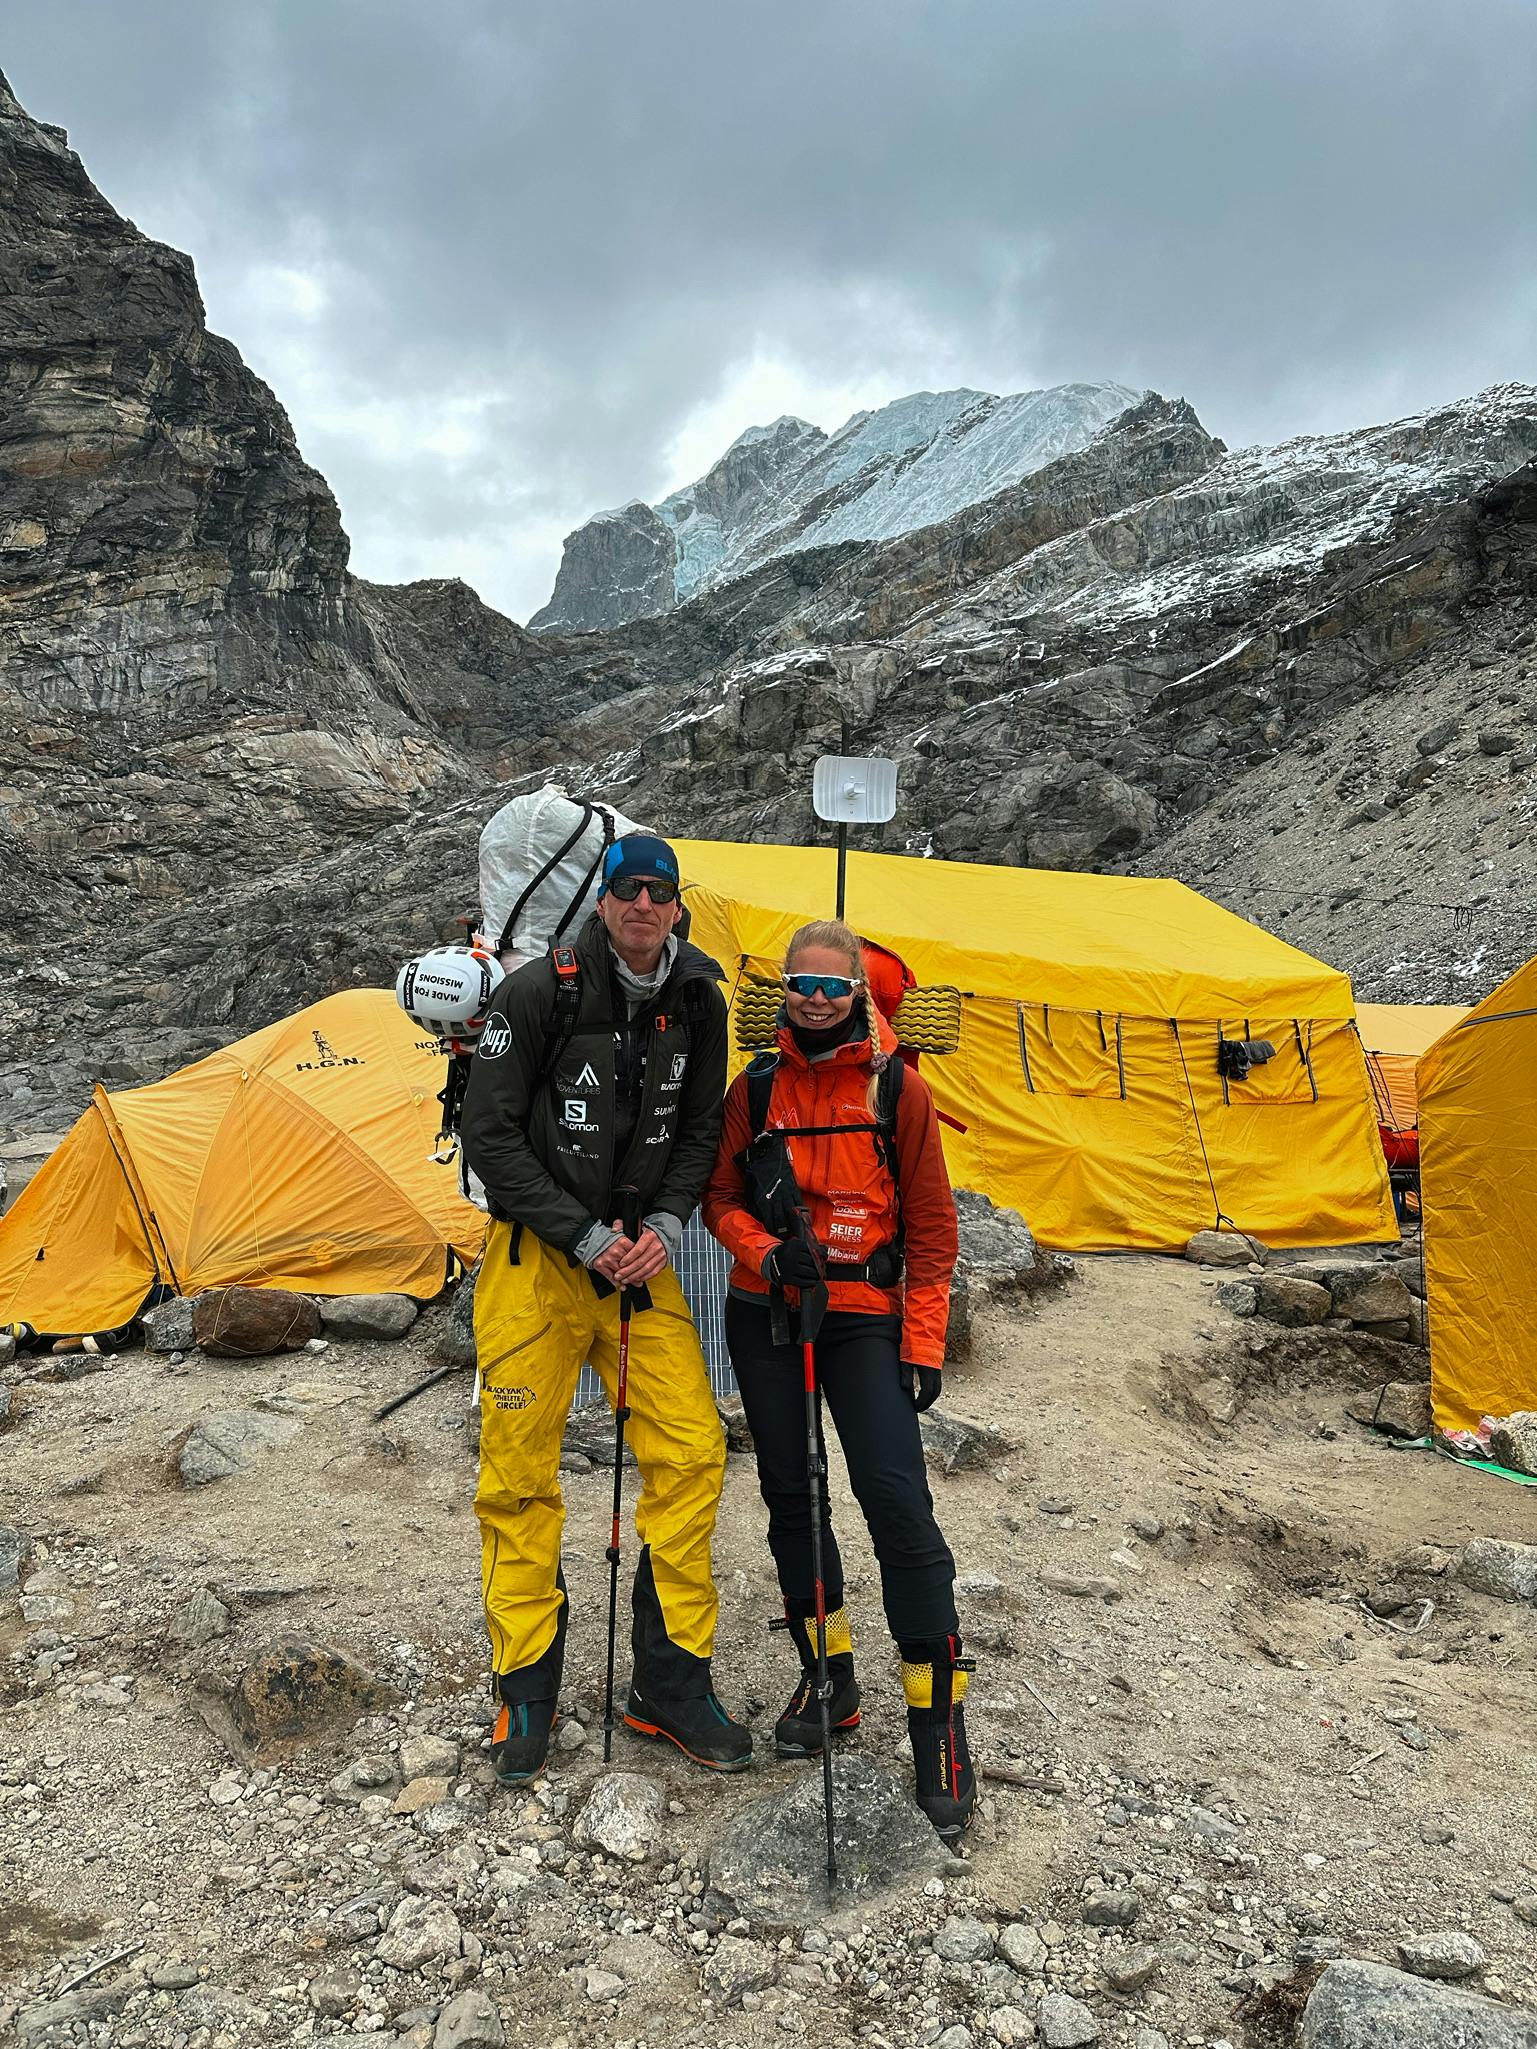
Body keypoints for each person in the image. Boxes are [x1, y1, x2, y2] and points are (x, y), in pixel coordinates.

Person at [460, 833, 751, 1782]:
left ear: (677, 907)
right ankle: (525, 1690)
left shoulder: (697, 1000)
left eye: (658, 892)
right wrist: (584, 1236)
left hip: (641, 1265)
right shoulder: (538, 992)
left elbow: (702, 1124)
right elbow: (490, 1136)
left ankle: (667, 1685)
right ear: (606, 900)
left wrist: (665, 1221)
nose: (641, 905)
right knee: (516, 1473)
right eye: (627, 888)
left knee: (692, 1451)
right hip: (536, 1263)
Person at [702, 918, 975, 1838]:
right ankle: (831, 1676)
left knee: (896, 1500)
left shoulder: (899, 1086)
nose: (815, 1000)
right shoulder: (756, 1085)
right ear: (781, 991)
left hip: (865, 1319)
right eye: (799, 985)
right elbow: (720, 1196)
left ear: (859, 992)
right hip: (767, 1310)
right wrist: (764, 1253)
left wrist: (923, 1344)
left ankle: (937, 1718)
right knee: (791, 1495)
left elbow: (932, 1228)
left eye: (831, 987)